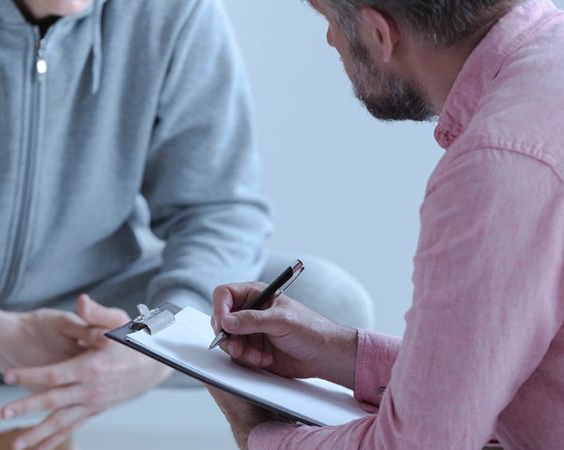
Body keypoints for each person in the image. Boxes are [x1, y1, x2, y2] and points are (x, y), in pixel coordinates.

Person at [0, 0, 373, 449]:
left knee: (329, 303)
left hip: (107, 303)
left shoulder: (175, 11)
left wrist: (159, 346)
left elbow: (219, 207)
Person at [207, 0, 564, 448]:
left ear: (379, 33)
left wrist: (257, 432)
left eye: (329, 21)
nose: (330, 40)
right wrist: (337, 351)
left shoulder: (498, 166)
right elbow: (483, 379)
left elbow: (414, 444)